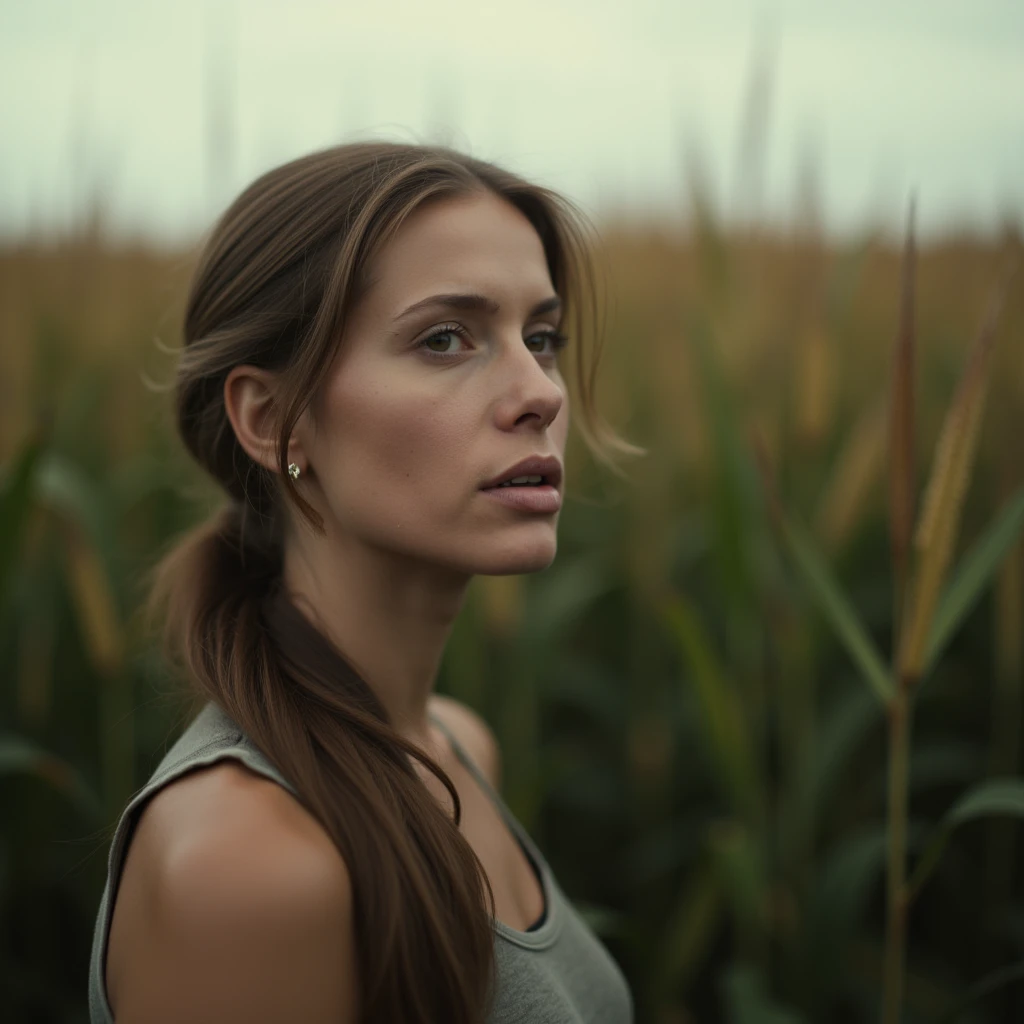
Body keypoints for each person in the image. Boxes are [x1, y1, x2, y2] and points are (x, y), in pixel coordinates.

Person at [87, 141, 644, 1023]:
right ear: (274, 422)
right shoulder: (248, 866)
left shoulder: (459, 747)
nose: (538, 390)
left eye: (541, 338)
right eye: (445, 338)